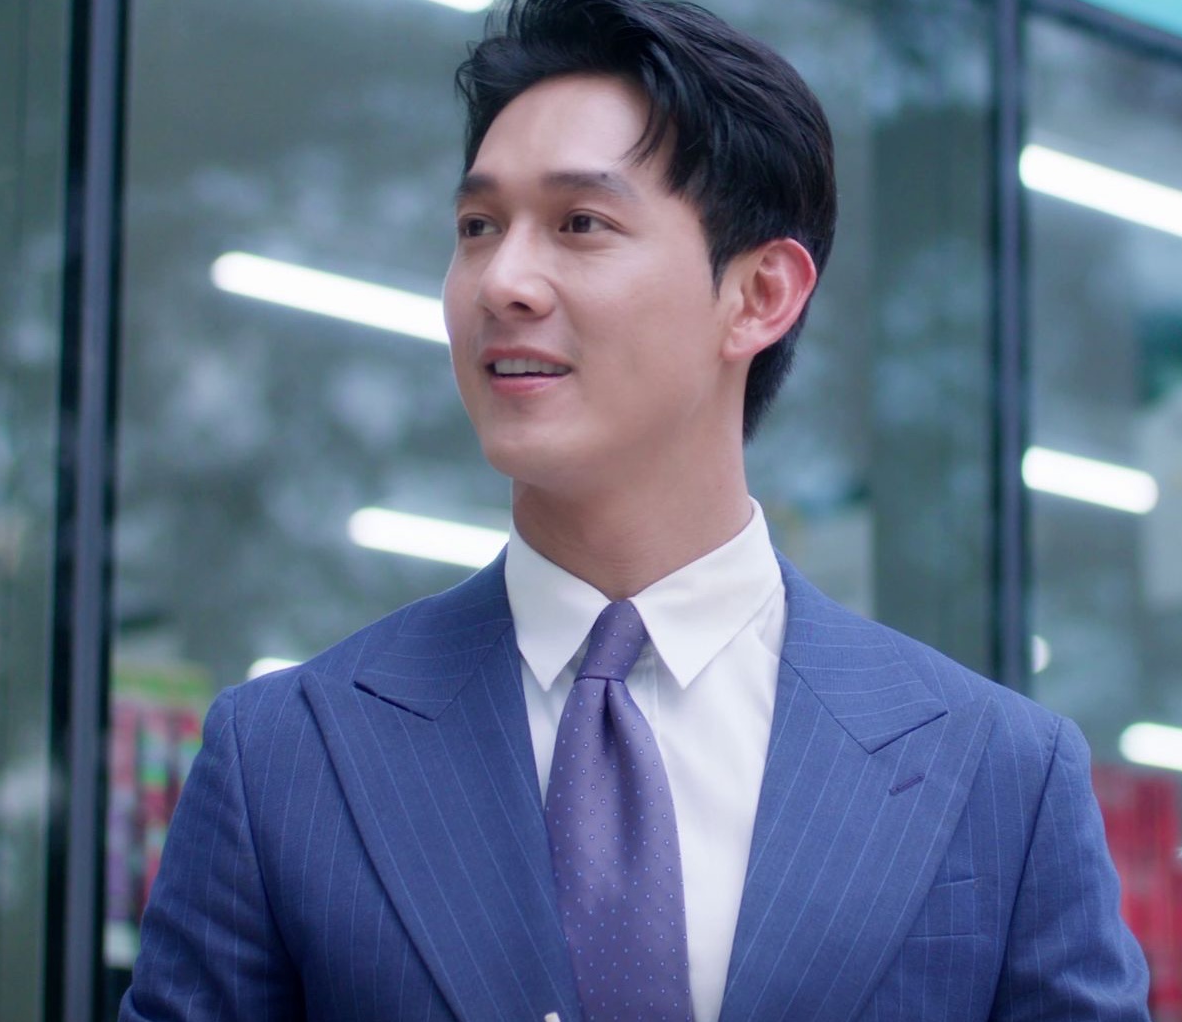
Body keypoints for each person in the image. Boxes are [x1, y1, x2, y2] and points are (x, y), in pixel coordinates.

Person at [121, 0, 1151, 1019]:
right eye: (478, 227)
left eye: (581, 223)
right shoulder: (284, 757)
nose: (503, 280)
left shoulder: (1000, 776)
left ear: (760, 294)